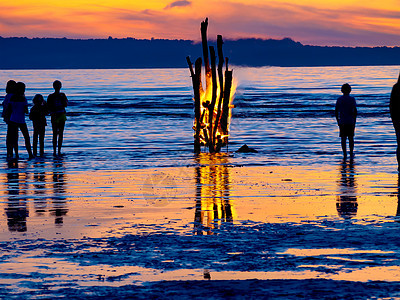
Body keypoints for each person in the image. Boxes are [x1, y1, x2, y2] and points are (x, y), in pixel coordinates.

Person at [8, 82, 34, 159]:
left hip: (13, 119)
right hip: (21, 120)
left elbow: (9, 109)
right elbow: (26, 111)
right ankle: (30, 153)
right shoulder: (23, 99)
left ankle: (16, 154)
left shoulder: (12, 98)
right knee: (26, 137)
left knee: (15, 138)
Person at [335, 83, 357, 159]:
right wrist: (355, 121)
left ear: (342, 90)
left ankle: (344, 153)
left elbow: (336, 111)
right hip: (350, 121)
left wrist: (338, 120)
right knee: (351, 138)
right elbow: (355, 111)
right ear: (350, 90)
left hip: (342, 121)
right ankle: (351, 152)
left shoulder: (339, 99)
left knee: (343, 138)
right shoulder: (352, 99)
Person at [47, 80, 68, 156]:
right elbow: (48, 106)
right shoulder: (51, 96)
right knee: (56, 133)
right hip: (55, 115)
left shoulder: (62, 95)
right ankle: (56, 150)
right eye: (56, 85)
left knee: (59, 133)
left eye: (58, 85)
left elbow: (65, 104)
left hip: (61, 114)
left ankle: (58, 150)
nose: (57, 87)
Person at [2, 80, 18, 159]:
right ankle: (12, 152)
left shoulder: (8, 95)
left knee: (10, 136)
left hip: (9, 118)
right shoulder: (12, 96)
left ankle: (10, 152)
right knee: (13, 136)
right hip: (12, 118)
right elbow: (9, 107)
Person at [390, 73, 400, 170]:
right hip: (397, 119)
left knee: (399, 143)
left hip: (396, 119)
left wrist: (393, 119)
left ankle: (399, 165)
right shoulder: (396, 87)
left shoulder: (395, 87)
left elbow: (391, 106)